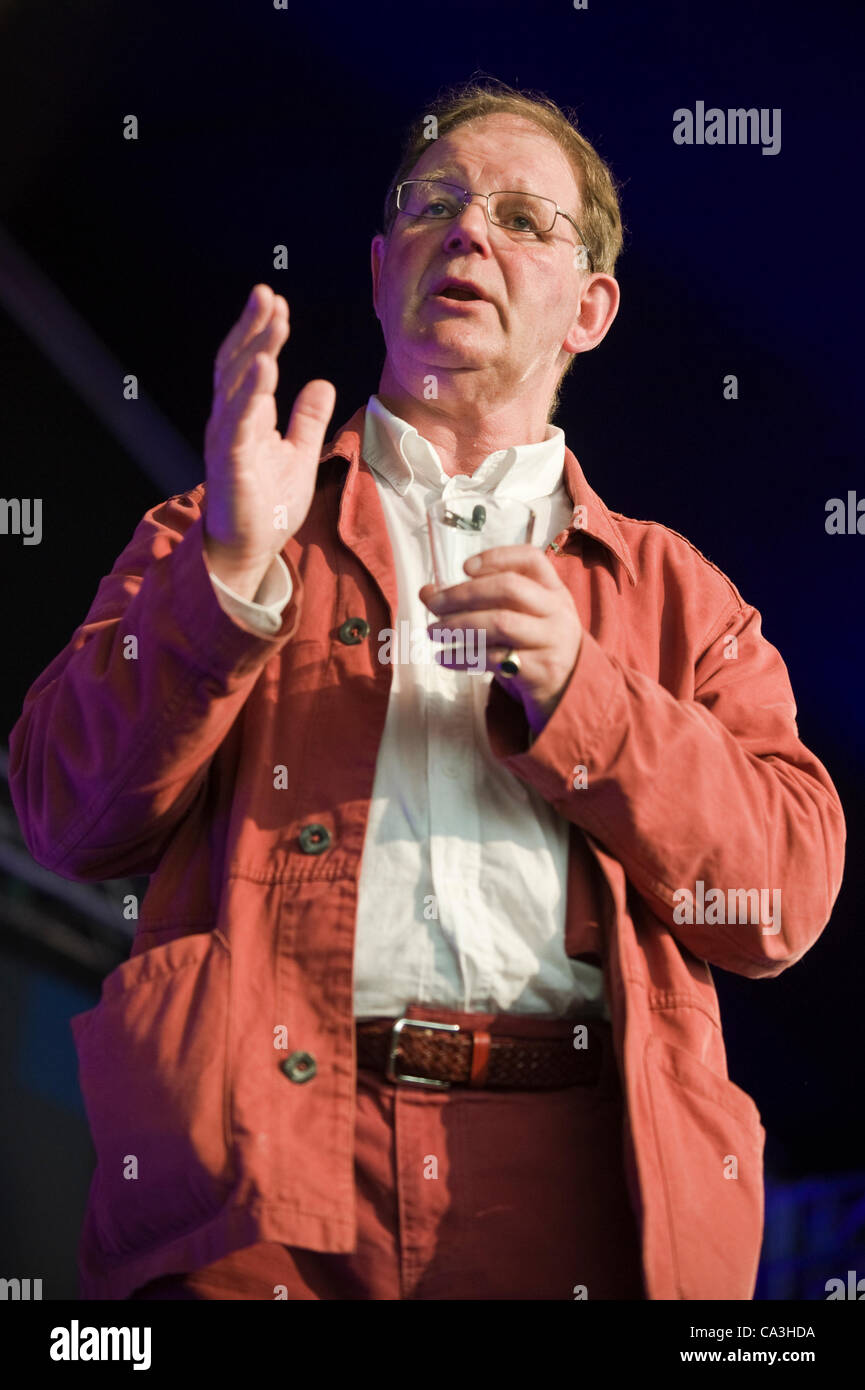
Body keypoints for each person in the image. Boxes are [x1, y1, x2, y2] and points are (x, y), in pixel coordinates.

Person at [9, 78, 845, 1302]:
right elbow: (62, 813)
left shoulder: (679, 596)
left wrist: (586, 693)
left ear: (590, 309)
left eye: (522, 218)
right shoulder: (225, 526)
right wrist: (230, 576)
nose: (467, 232)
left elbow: (782, 896)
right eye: (434, 205)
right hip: (257, 1188)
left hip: (578, 1193)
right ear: (381, 261)